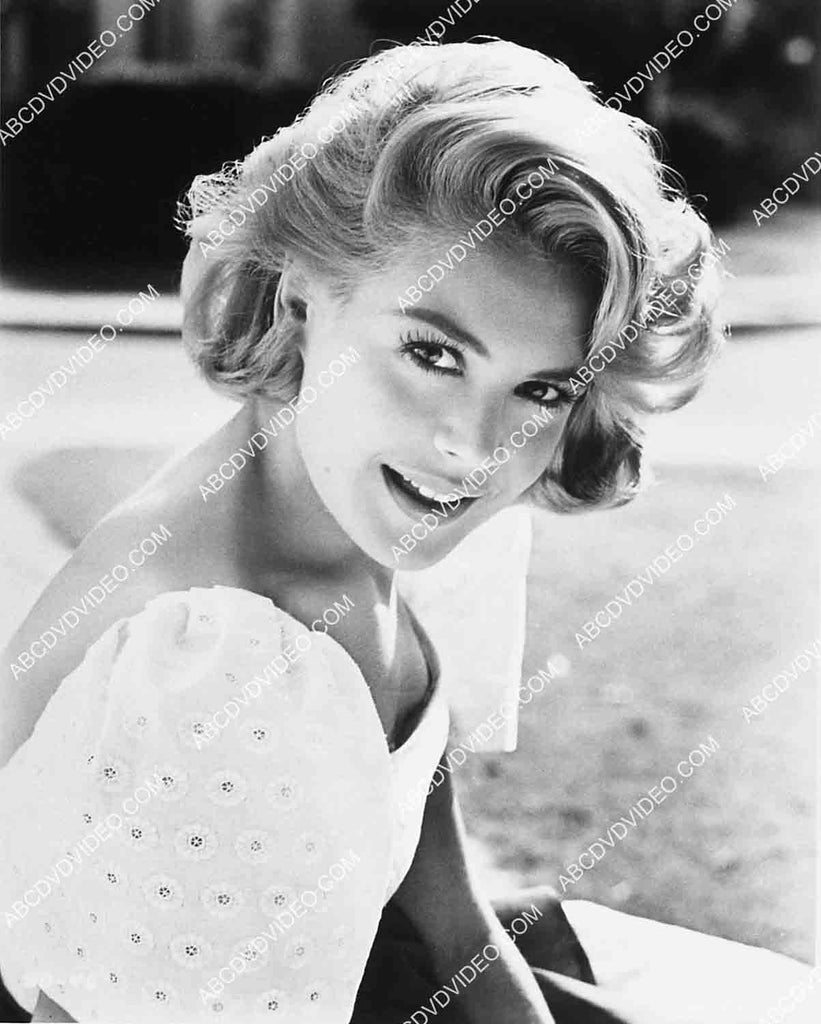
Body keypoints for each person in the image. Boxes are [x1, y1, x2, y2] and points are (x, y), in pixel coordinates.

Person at [0, 38, 814, 1024]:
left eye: (540, 389)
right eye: (432, 353)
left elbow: (446, 914)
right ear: (300, 298)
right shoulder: (213, 671)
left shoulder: (386, 511)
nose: (473, 448)